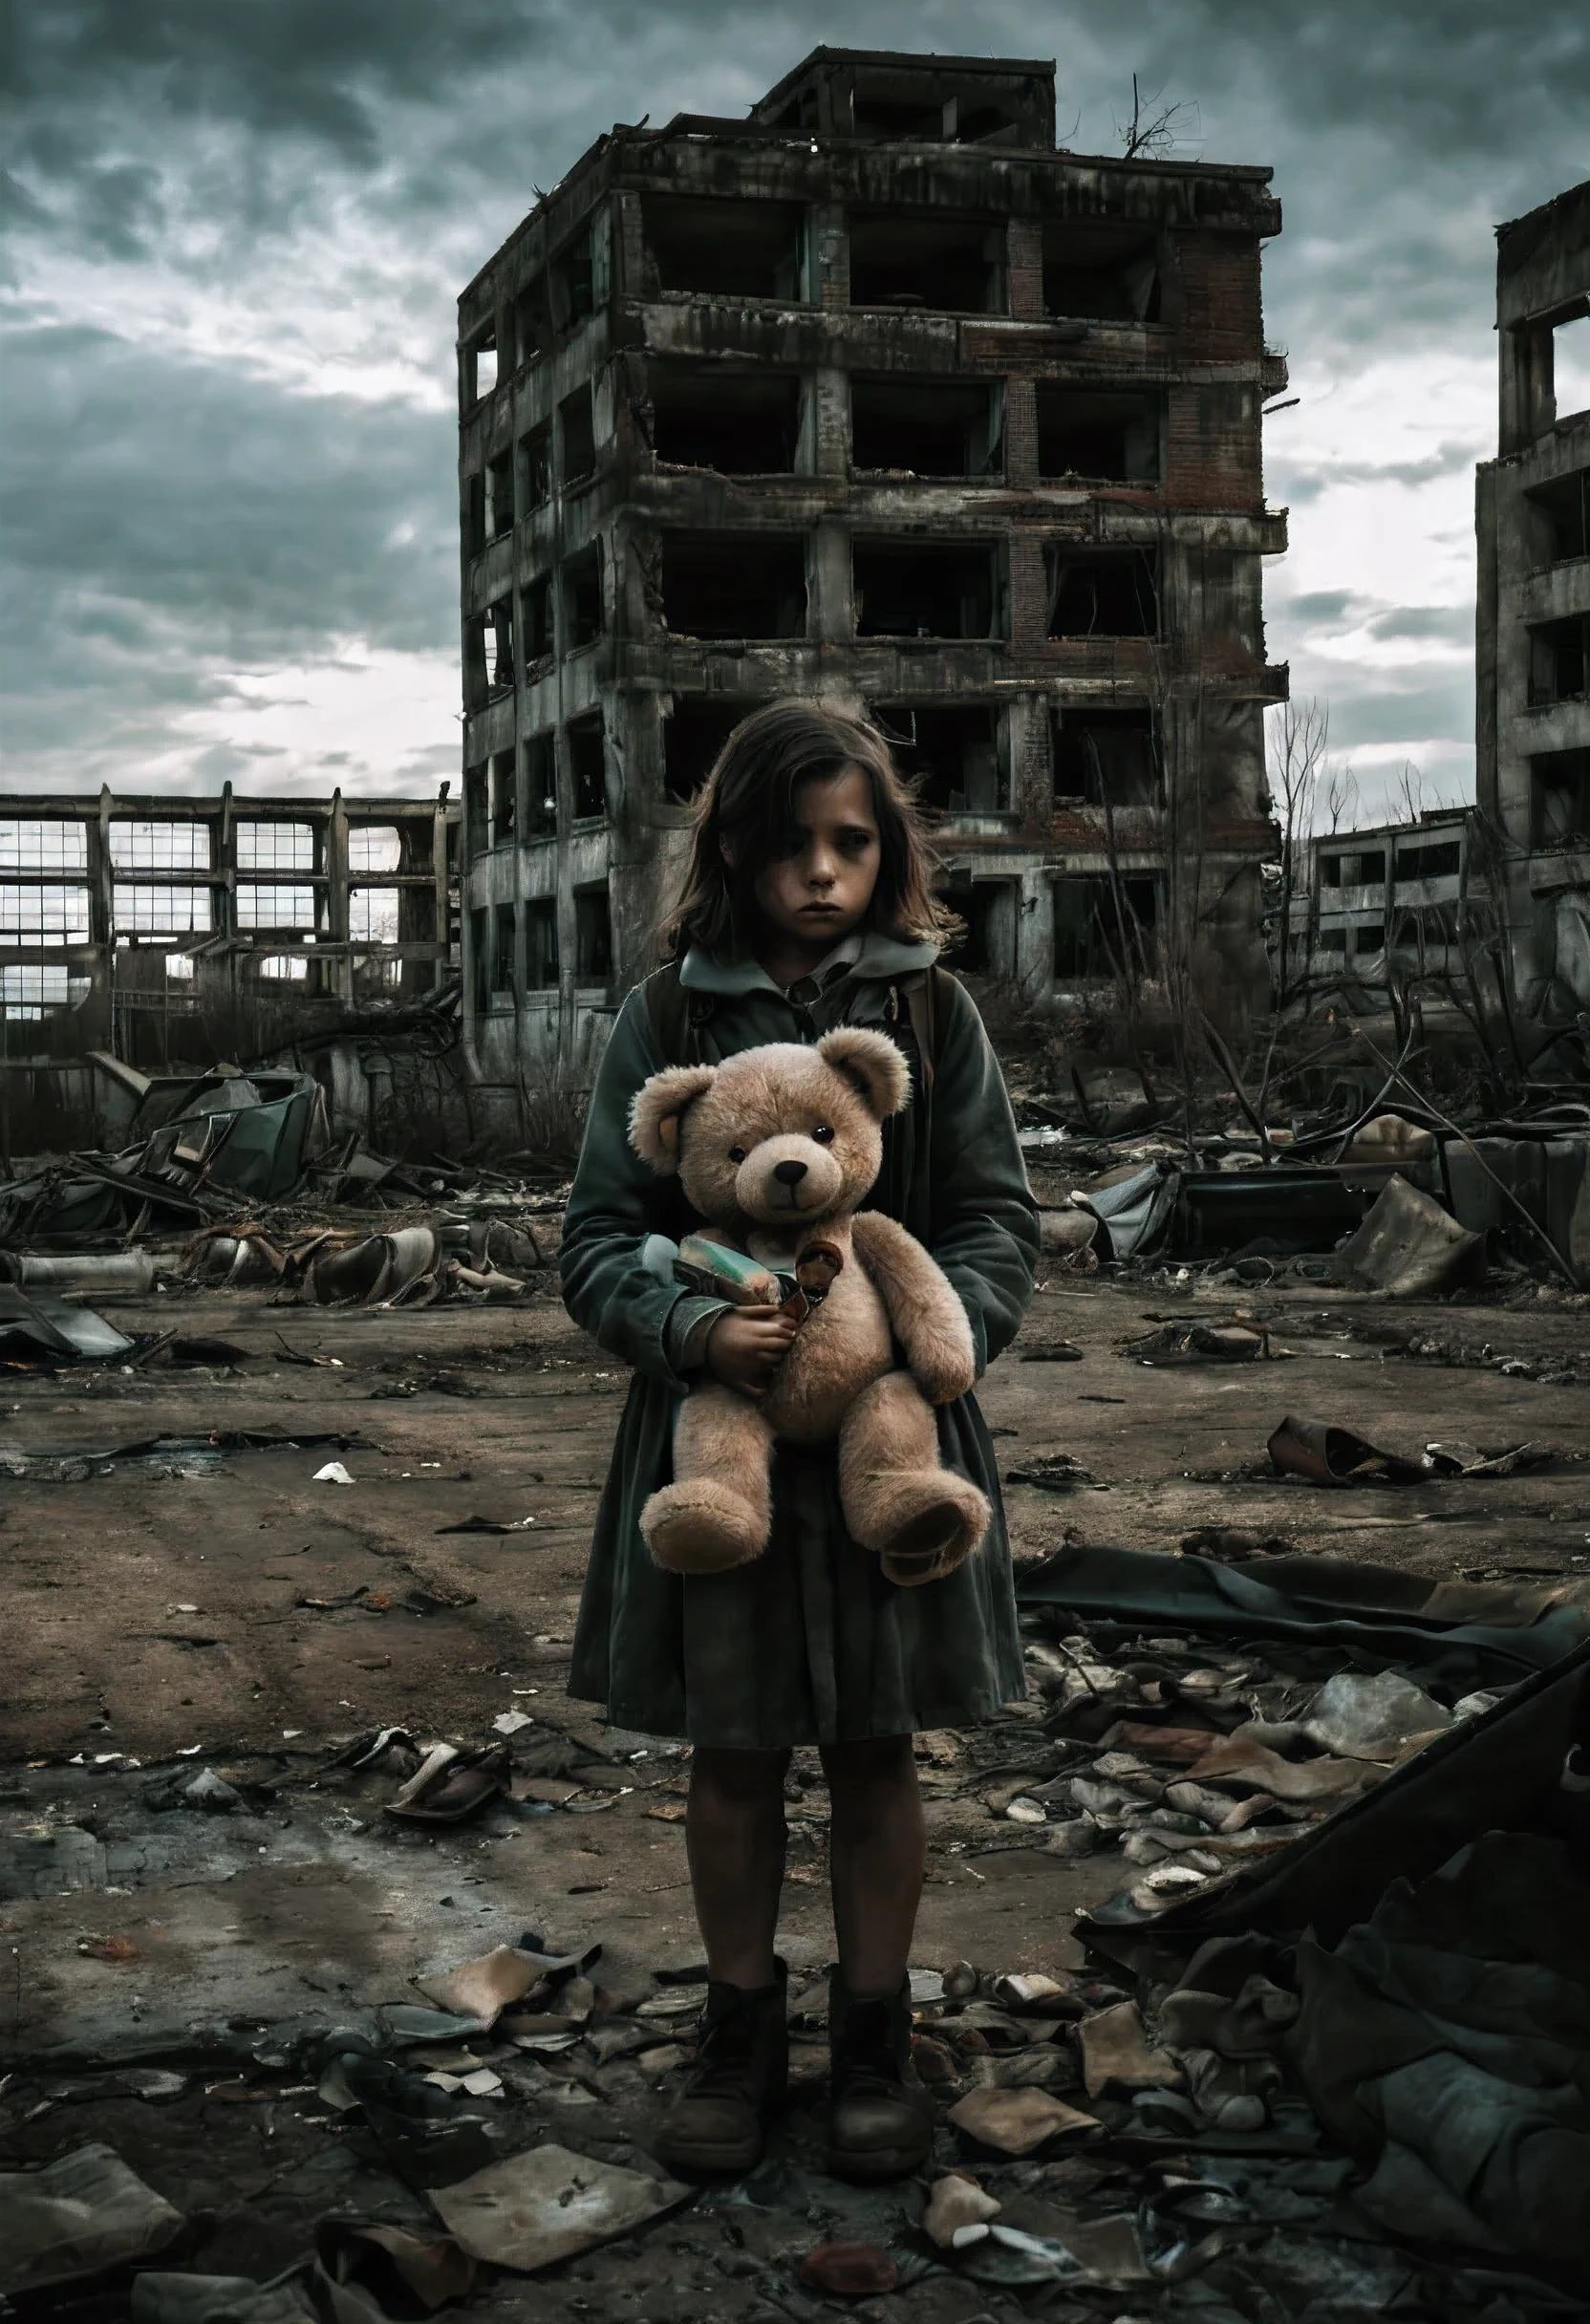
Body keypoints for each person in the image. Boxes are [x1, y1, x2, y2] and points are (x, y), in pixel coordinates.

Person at [560, 699, 1039, 2182]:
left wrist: (923, 1338)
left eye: (853, 843)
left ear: (887, 852)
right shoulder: (668, 1020)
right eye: (792, 844)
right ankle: (740, 2035)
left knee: (879, 1753)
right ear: (737, 851)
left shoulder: (926, 1016)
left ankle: (877, 2040)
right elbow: (594, 1238)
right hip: (725, 1461)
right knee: (734, 1756)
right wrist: (692, 1329)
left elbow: (992, 1223)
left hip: (889, 1450)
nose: (822, 875)